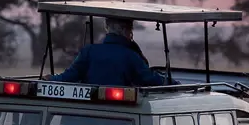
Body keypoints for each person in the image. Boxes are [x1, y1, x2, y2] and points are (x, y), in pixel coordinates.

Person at [45, 17, 176, 87]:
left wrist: (51, 79)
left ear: (107, 28)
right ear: (127, 30)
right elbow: (148, 79)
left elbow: (69, 77)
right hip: (122, 115)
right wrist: (172, 83)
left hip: (89, 113)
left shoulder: (89, 51)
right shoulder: (130, 55)